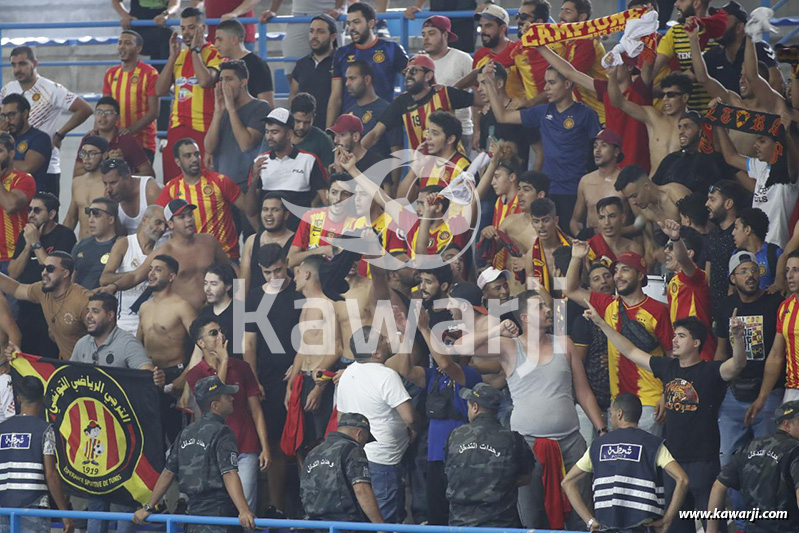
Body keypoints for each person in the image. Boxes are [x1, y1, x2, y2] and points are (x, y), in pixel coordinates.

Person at [585, 302, 746, 532]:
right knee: (676, 528)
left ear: (696, 343)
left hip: (704, 462)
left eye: (681, 336)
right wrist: (601, 323)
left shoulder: (710, 371)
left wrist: (737, 339)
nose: (674, 340)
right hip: (673, 462)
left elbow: (737, 364)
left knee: (713, 527)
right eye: (674, 335)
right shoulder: (668, 367)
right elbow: (630, 350)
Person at [464, 291, 605, 529]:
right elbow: (458, 347)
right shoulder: (509, 347)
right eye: (540, 307)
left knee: (581, 516)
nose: (548, 310)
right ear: (524, 317)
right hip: (528, 445)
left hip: (571, 443)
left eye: (547, 306)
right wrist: (496, 330)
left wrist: (601, 428)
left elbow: (583, 392)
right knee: (533, 517)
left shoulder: (565, 343)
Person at [69, 292, 164, 533]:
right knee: (95, 503)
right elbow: (68, 382)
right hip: (93, 443)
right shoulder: (82, 345)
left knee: (123, 503)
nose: (88, 316)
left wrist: (154, 378)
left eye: (95, 311)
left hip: (123, 444)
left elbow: (145, 375)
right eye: (88, 311)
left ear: (111, 315)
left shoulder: (127, 343)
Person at [566, 245, 673, 436]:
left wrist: (666, 395)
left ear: (640, 275)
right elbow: (571, 290)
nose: (618, 276)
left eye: (625, 270)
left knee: (645, 462)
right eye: (616, 271)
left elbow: (672, 357)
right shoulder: (607, 305)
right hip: (618, 403)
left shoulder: (657, 310)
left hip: (649, 401)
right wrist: (575, 258)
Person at [133, 375, 256, 532]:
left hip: (192, 517)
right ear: (215, 405)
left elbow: (167, 473)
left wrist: (148, 507)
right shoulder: (223, 432)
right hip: (219, 518)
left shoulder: (186, 432)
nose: (232, 398)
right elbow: (229, 473)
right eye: (227, 396)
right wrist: (244, 510)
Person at [484, 63, 601, 224]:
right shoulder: (541, 112)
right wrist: (489, 83)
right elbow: (502, 116)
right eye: (545, 82)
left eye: (552, 83)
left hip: (576, 191)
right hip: (547, 191)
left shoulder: (586, 114)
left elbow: (598, 152)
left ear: (567, 84)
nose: (545, 87)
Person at [714, 251, 785, 504]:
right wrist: (716, 389)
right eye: (743, 271)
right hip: (733, 395)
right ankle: (742, 524)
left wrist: (764, 397)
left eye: (754, 270)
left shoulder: (775, 302)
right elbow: (721, 351)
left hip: (769, 393)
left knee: (767, 462)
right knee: (729, 464)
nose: (750, 275)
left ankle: (767, 521)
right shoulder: (724, 307)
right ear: (733, 278)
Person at [561, 393, 689, 533]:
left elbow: (567, 483)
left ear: (619, 414)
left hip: (606, 526)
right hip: (643, 527)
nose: (610, 418)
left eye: (611, 414)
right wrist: (668, 519)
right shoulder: (653, 445)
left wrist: (589, 521)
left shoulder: (598, 446)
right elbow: (683, 479)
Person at [185, 315, 271, 512]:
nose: (221, 336)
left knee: (247, 508)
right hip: (213, 449)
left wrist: (265, 447)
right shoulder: (195, 374)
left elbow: (257, 411)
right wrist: (223, 362)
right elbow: (215, 398)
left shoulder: (241, 367)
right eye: (213, 333)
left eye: (221, 331)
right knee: (219, 507)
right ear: (201, 343)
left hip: (245, 444)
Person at [336, 325, 419, 523]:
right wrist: (414, 429)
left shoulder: (348, 373)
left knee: (362, 519)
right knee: (384, 519)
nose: (388, 341)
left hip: (354, 456)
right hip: (383, 459)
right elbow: (410, 417)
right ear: (375, 351)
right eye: (383, 339)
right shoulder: (387, 376)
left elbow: (341, 417)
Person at [244, 244, 302, 513]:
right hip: (267, 380)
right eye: (267, 272)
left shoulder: (300, 291)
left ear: (287, 263)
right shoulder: (255, 297)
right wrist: (252, 380)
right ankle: (277, 508)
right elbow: (250, 344)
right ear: (260, 270)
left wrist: (299, 364)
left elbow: (314, 333)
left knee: (303, 445)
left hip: (298, 375)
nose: (273, 277)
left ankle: (309, 507)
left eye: (278, 270)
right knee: (275, 445)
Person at [537, 44, 652, 172]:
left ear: (630, 67)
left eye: (617, 62)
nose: (612, 66)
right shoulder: (605, 89)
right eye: (611, 62)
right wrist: (540, 47)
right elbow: (570, 73)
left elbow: (650, 63)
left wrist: (645, 36)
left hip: (640, 164)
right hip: (612, 164)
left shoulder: (640, 89)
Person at [105, 199, 232, 310]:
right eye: (181, 217)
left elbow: (230, 268)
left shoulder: (209, 241)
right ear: (170, 224)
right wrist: (114, 286)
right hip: (183, 317)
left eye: (190, 215)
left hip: (213, 311)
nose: (188, 220)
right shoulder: (164, 252)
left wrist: (239, 297)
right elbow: (135, 276)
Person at [0, 46, 93, 197]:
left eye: (22, 64)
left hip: (45, 166)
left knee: (45, 214)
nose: (17, 69)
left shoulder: (52, 89)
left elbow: (85, 109)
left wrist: (60, 134)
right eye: (14, 65)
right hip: (12, 163)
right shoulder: (8, 89)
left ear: (34, 64)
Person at [444, 383, 535, 527]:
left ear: (475, 407)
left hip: (460, 525)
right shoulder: (513, 439)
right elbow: (526, 477)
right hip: (502, 526)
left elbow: (448, 471)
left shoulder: (454, 436)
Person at [707, 401, 799, 533]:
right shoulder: (795, 450)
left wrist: (711, 530)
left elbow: (718, 486)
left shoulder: (749, 447)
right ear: (787, 425)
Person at [0, 376, 74, 533]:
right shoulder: (45, 430)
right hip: (33, 509)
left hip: (3, 510)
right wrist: (65, 514)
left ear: (18, 399)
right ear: (43, 399)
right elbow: (51, 475)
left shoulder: (2, 429)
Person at [155, 7, 221, 180]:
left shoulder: (215, 52)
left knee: (202, 187)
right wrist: (172, 57)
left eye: (192, 27)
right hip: (176, 129)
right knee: (173, 186)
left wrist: (196, 50)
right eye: (183, 28)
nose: (186, 33)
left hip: (203, 129)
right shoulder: (179, 56)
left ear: (203, 29)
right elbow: (159, 90)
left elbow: (206, 81)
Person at [8, 193, 76, 358]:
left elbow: (53, 270)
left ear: (51, 214)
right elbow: (13, 273)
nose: (31, 214)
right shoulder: (26, 236)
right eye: (30, 209)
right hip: (25, 307)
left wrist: (36, 243)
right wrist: (28, 246)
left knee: (47, 359)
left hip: (49, 308)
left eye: (37, 210)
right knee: (26, 358)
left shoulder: (65, 235)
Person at [361, 54, 474, 153]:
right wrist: (354, 154)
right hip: (423, 169)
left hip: (452, 166)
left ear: (428, 76)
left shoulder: (444, 93)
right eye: (406, 72)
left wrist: (486, 107)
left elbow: (480, 100)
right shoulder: (401, 103)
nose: (408, 75)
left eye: (413, 71)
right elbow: (375, 133)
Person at [714, 121, 799, 249]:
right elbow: (731, 157)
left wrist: (786, 135)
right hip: (755, 247)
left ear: (777, 145)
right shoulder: (761, 166)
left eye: (762, 141)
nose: (755, 145)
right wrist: (718, 122)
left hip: (777, 248)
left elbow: (795, 163)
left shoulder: (787, 172)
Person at [158, 138, 247, 259]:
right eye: (188, 156)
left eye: (196, 154)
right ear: (178, 162)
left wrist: (253, 185)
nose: (194, 159)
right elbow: (157, 218)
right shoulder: (171, 188)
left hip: (227, 256)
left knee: (238, 278)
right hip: (193, 259)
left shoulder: (219, 180)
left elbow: (250, 209)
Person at [246, 108, 328, 231]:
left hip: (300, 238)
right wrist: (253, 181)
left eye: (274, 132)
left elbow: (326, 201)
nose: (269, 137)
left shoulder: (309, 160)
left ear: (289, 134)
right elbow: (250, 210)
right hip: (269, 239)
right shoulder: (259, 162)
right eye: (267, 132)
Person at [327, 2, 408, 127]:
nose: (351, 28)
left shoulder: (391, 49)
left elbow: (413, 77)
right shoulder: (342, 53)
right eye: (349, 23)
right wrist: (329, 130)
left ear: (371, 23)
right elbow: (335, 98)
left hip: (383, 125)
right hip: (351, 127)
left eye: (356, 22)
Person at [204, 59, 270, 211]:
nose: (223, 85)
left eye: (229, 79)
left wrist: (231, 109)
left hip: (247, 188)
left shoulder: (260, 107)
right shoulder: (222, 109)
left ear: (243, 82)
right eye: (221, 80)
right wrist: (218, 112)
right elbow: (209, 147)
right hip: (222, 186)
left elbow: (245, 144)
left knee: (250, 234)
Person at [300, 412, 385, 523]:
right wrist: (380, 526)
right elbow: (361, 490)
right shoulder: (353, 449)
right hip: (345, 524)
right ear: (360, 434)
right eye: (366, 439)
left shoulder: (313, 452)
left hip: (314, 524)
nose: (364, 444)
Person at [608, 71, 692, 174]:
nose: (665, 99)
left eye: (670, 95)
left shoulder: (694, 125)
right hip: (655, 185)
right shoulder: (653, 117)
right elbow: (618, 102)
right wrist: (612, 75)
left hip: (681, 186)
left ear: (684, 97)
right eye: (662, 95)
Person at [99, 205, 166, 334]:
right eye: (158, 222)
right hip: (123, 323)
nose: (162, 229)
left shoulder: (162, 250)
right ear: (145, 220)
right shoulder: (125, 243)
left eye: (165, 225)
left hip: (151, 324)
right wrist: (140, 274)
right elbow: (105, 278)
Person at [660, 219, 716, 362]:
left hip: (700, 354)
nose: (666, 251)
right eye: (667, 246)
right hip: (684, 353)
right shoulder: (674, 280)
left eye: (671, 247)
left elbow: (683, 260)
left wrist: (676, 238)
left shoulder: (695, 277)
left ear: (689, 253)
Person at [649, 0, 719, 111]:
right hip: (688, 117)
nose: (675, 4)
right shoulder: (675, 32)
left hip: (718, 115)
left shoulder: (718, 33)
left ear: (696, 3)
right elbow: (652, 70)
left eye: (681, 0)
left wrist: (666, 85)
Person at [103, 30, 160, 162]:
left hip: (143, 143)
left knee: (138, 182)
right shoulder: (111, 74)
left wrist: (129, 131)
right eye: (120, 43)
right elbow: (104, 108)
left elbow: (154, 112)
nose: (122, 46)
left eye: (127, 43)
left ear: (138, 48)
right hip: (115, 143)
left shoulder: (150, 73)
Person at [701, 1, 781, 95]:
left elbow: (777, 82)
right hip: (731, 107)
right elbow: (691, 77)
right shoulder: (712, 55)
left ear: (739, 27)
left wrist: (764, 107)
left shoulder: (758, 47)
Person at [259, 0, 345, 82]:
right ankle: (300, 96)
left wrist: (339, 8)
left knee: (335, 66)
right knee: (291, 66)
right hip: (298, 15)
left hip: (329, 13)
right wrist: (273, 10)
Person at [475, 63, 541, 170]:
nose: (479, 89)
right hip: (491, 182)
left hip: (515, 182)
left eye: (484, 83)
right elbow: (485, 155)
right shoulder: (485, 114)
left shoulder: (519, 113)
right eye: (479, 84)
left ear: (500, 83)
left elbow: (540, 152)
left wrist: (530, 183)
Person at [422, 16, 474, 150]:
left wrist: (477, 129)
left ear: (445, 34)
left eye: (431, 33)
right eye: (423, 34)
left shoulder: (462, 58)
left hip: (459, 130)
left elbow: (478, 93)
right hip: (428, 131)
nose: (426, 38)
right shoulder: (420, 62)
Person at [556, 0, 608, 123]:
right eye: (561, 10)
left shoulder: (587, 41)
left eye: (567, 12)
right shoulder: (570, 38)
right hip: (585, 114)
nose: (561, 15)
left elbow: (569, 76)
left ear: (582, 17)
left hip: (599, 116)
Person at [74, 97, 153, 178]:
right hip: (94, 189)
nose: (103, 116)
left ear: (118, 118)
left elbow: (148, 172)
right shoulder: (88, 139)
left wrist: (123, 175)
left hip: (121, 189)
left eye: (108, 112)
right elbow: (77, 174)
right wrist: (107, 163)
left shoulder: (126, 140)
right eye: (99, 112)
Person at [705, 180, 749, 318]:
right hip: (714, 310)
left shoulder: (742, 235)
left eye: (712, 199)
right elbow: (708, 275)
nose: (707, 204)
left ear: (728, 203)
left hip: (737, 310)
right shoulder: (712, 234)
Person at [570, 130, 627, 237]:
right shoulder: (585, 181)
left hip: (619, 244)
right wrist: (582, 237)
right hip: (591, 245)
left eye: (604, 146)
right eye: (595, 146)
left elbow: (640, 221)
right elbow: (575, 221)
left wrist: (610, 232)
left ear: (616, 151)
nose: (597, 150)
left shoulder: (625, 180)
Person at [652, 112, 728, 191]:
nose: (681, 132)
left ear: (700, 131)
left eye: (687, 127)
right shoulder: (670, 159)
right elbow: (653, 190)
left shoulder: (714, 159)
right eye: (680, 127)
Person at [342, 61, 402, 159]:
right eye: (346, 79)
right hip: (352, 172)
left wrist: (392, 175)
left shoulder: (386, 110)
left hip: (378, 172)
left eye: (352, 78)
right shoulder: (348, 113)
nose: (347, 83)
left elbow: (397, 152)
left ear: (367, 80)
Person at [290, 14, 337, 130]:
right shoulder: (301, 64)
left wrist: (330, 131)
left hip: (334, 130)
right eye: (311, 31)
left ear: (333, 37)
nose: (314, 36)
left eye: (320, 32)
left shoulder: (341, 62)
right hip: (304, 130)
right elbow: (293, 95)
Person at [213, 19, 274, 107]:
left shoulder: (258, 65)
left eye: (220, 40)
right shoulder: (224, 66)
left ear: (234, 39)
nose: (216, 45)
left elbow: (267, 106)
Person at [240, 193, 293, 292]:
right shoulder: (251, 241)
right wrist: (238, 307)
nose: (269, 214)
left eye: (275, 210)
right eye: (265, 209)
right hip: (257, 303)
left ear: (286, 215)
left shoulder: (297, 242)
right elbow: (242, 282)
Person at [1, 94, 51, 193]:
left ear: (25, 114)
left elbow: (27, 167)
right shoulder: (4, 138)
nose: (7, 121)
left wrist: (3, 161)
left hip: (30, 198)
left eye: (12, 115)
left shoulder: (40, 138)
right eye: (3, 116)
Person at [0, 132, 36, 271]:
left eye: (0, 151)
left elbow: (10, 205)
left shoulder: (23, 179)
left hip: (13, 257)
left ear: (11, 154)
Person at [100, 158, 162, 235]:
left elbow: (157, 230)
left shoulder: (150, 191)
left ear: (128, 178)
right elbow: (117, 235)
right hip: (131, 243)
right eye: (105, 183)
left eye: (113, 183)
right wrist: (113, 211)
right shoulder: (110, 195)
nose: (108, 189)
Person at [65, 136, 111, 239]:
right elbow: (71, 218)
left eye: (92, 153)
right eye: (83, 153)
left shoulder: (109, 184)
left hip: (105, 245)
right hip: (82, 244)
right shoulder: (77, 182)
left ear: (104, 155)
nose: (86, 158)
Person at [524, 198, 571, 295]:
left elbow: (584, 282)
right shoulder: (531, 256)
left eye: (545, 220)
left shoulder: (572, 246)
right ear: (532, 223)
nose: (541, 226)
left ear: (556, 220)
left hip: (572, 303)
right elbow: (531, 291)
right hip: (545, 305)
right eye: (536, 221)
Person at [72, 198, 119, 290]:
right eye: (89, 216)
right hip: (80, 300)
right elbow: (71, 279)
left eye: (96, 216)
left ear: (111, 219)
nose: (90, 220)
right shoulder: (81, 245)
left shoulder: (120, 246)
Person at [732, 207, 782, 290]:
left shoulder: (775, 254)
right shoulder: (736, 255)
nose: (733, 233)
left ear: (747, 230)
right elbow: (732, 290)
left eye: (736, 228)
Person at [586, 197, 642, 267]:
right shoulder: (590, 247)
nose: (606, 222)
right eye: (602, 217)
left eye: (612, 216)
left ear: (623, 218)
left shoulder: (634, 248)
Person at [405, 1, 476, 54]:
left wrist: (486, 4)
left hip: (463, 22)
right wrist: (418, 7)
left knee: (462, 58)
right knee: (435, 56)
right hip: (438, 19)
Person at [198, 263, 236, 360]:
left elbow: (249, 348)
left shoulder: (240, 310)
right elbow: (198, 352)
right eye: (205, 283)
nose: (208, 289)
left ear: (228, 286)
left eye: (214, 284)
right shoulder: (204, 312)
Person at [291, 92, 335, 169]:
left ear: (313, 118)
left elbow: (328, 174)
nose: (301, 127)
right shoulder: (279, 135)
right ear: (290, 116)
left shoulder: (323, 140)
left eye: (307, 122)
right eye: (297, 121)